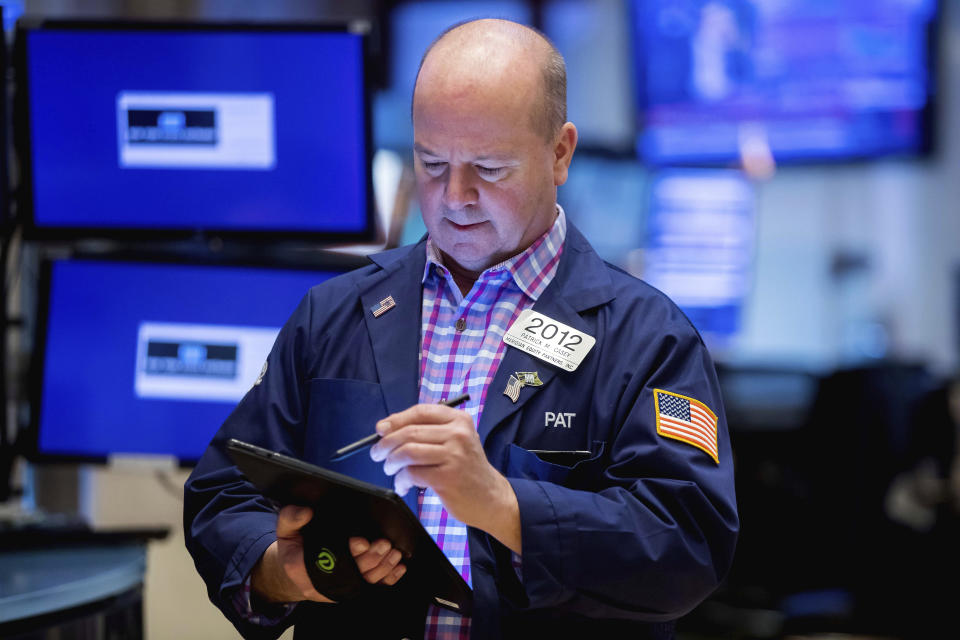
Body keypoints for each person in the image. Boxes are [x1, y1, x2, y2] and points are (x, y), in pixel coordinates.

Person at [185, 18, 738, 640]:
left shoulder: (647, 338)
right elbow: (221, 495)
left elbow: (689, 546)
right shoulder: (333, 313)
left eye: (489, 167)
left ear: (560, 153)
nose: (455, 196)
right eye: (431, 162)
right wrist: (283, 571)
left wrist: (505, 508)